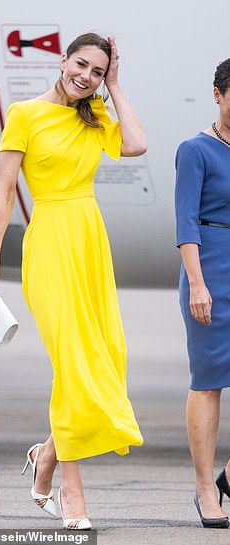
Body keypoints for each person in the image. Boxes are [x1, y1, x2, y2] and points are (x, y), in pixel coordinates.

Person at [0, 32, 146, 530]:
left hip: (90, 242)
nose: (85, 77)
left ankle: (45, 456)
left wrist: (113, 88)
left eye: (97, 72)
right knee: (72, 363)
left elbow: (137, 144)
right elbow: (4, 194)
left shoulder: (94, 117)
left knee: (104, 356)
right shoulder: (24, 115)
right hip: (48, 244)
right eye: (82, 65)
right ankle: (73, 493)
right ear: (62, 59)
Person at [175, 58, 230, 529]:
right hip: (209, 269)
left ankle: (229, 474)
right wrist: (197, 283)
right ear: (218, 93)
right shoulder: (195, 150)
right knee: (209, 381)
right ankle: (204, 489)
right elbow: (186, 223)